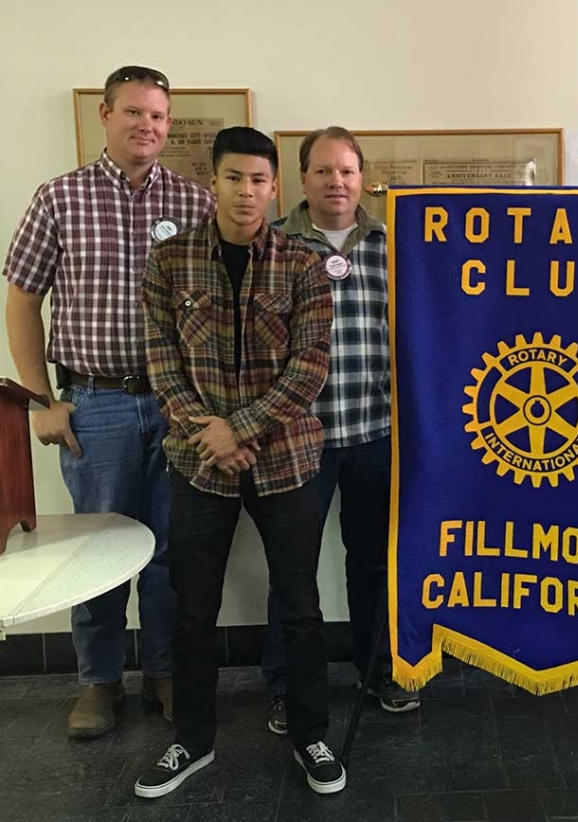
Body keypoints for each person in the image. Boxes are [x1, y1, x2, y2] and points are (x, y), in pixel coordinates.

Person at [3, 66, 214, 737]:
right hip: (95, 405)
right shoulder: (58, 198)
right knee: (98, 549)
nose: (146, 126)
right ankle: (97, 683)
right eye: (133, 112)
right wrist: (40, 400)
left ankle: (163, 673)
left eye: (158, 116)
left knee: (168, 552)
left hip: (177, 406)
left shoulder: (193, 200)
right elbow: (22, 300)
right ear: (105, 114)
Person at [135, 127, 344, 798]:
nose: (246, 191)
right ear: (213, 182)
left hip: (286, 460)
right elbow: (162, 365)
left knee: (301, 604)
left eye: (258, 180)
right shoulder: (168, 262)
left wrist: (243, 428)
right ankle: (192, 741)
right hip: (199, 464)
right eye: (233, 178)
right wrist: (210, 434)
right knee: (193, 607)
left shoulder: (303, 265)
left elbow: (309, 368)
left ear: (274, 186)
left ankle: (311, 732)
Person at [260, 126, 418, 736]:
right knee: (291, 569)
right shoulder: (273, 244)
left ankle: (376, 672)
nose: (337, 182)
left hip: (376, 433)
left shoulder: (393, 242)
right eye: (324, 171)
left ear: (362, 177)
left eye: (347, 171)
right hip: (297, 437)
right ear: (302, 178)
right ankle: (286, 686)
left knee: (374, 563)